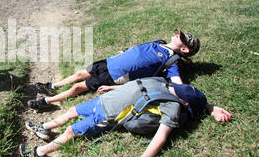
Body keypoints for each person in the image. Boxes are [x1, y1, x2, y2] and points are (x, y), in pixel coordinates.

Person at [19, 77, 232, 157]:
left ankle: (41, 153)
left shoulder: (173, 107)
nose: (171, 88)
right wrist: (112, 88)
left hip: (106, 116)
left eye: (176, 91)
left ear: (183, 102)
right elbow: (134, 84)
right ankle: (45, 128)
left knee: (70, 132)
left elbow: (161, 138)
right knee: (71, 112)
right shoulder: (165, 83)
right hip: (103, 100)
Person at [28, 29, 200, 109]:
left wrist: (199, 103)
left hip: (115, 74)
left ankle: (46, 102)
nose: (177, 34)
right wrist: (126, 51)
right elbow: (140, 50)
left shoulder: (171, 62)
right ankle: (52, 87)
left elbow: (178, 85)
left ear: (185, 49)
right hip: (111, 61)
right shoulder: (160, 42)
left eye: (181, 37)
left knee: (78, 87)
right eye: (179, 33)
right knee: (80, 73)